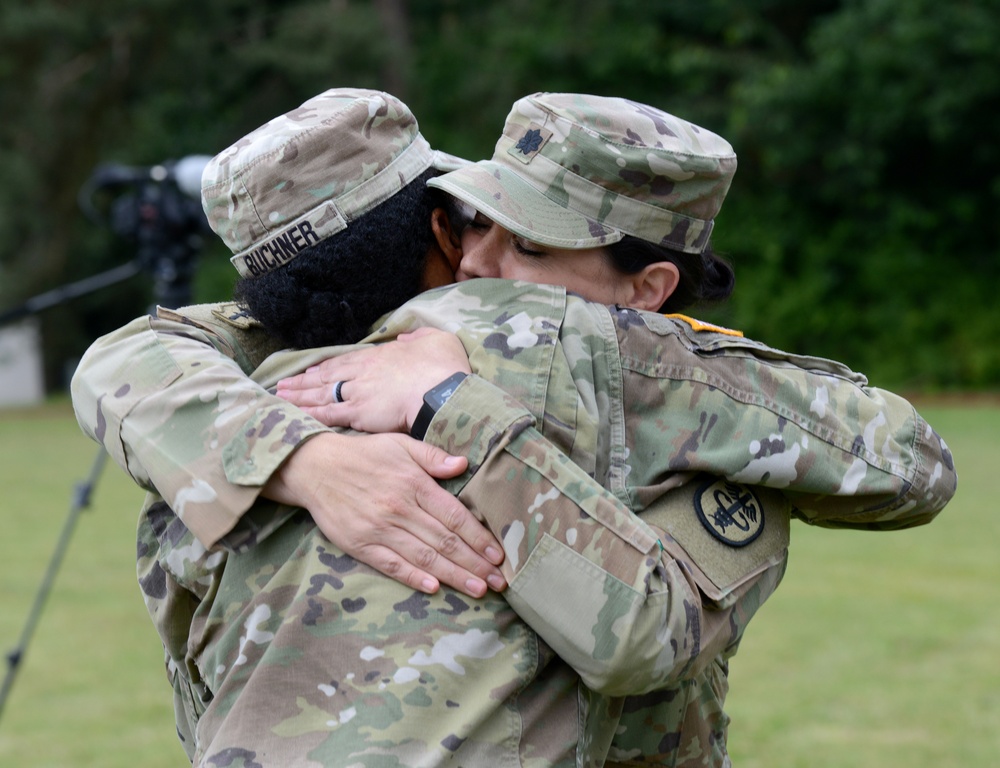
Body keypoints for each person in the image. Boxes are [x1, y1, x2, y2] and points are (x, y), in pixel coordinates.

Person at [71, 90, 955, 767]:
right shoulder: (627, 376)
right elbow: (903, 460)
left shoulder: (238, 390)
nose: (483, 267)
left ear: (646, 289)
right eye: (475, 226)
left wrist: (412, 411)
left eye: (528, 247)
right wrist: (341, 450)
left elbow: (131, 359)